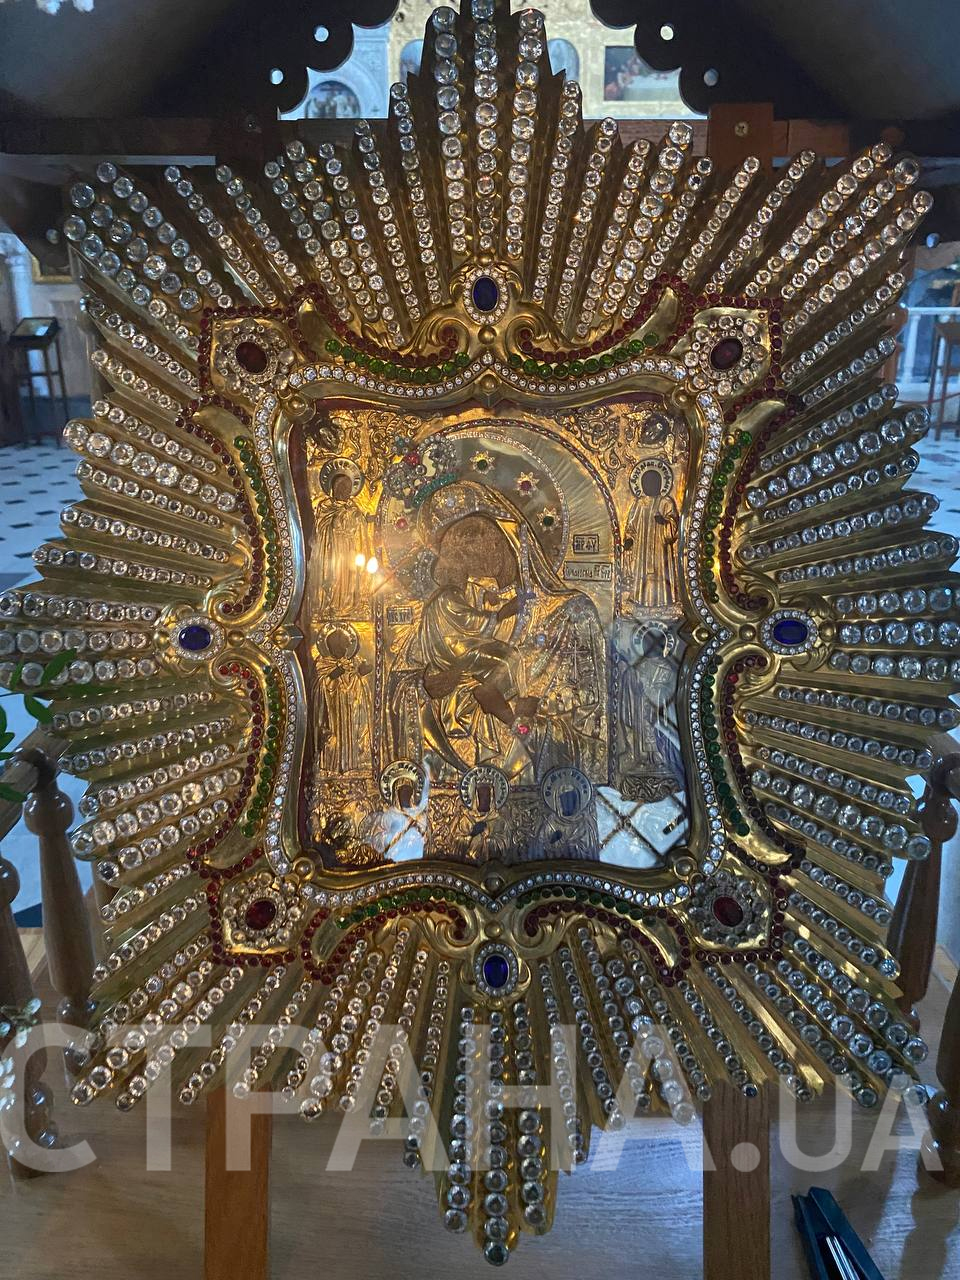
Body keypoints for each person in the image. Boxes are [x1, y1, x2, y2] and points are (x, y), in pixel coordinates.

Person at [313, 624, 372, 774]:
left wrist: (362, 672)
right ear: (334, 647)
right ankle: (330, 766)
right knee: (332, 738)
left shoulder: (352, 661)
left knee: (349, 736)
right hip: (331, 710)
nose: (345, 650)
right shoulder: (322, 663)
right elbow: (318, 685)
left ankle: (350, 764)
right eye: (343, 647)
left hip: (349, 708)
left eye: (346, 647)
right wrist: (332, 676)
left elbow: (361, 675)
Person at [624, 464, 680, 612]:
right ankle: (640, 600)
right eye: (646, 482)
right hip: (642, 548)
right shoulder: (639, 503)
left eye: (652, 482)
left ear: (659, 484)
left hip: (661, 550)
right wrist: (629, 539)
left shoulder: (666, 502)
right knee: (641, 572)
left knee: (661, 571)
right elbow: (631, 526)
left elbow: (674, 527)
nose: (649, 485)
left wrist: (664, 523)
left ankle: (664, 601)